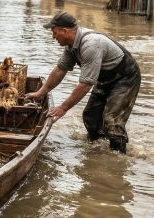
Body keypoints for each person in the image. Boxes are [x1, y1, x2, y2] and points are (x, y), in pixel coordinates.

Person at [25, 11, 141, 153]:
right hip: (105, 77)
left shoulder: (90, 45)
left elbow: (85, 84)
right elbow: (60, 70)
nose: (53, 37)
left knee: (112, 122)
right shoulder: (71, 46)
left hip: (125, 78)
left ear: (64, 31)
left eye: (55, 33)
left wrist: (63, 108)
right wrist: (40, 92)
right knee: (91, 117)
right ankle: (97, 151)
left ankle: (118, 158)